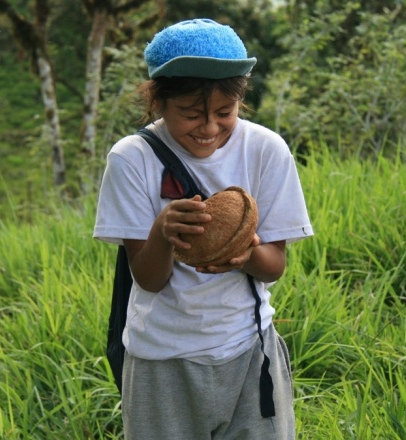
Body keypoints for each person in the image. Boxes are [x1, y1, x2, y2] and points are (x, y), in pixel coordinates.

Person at [93, 18, 313, 439]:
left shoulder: (266, 150)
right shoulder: (131, 159)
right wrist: (162, 232)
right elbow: (149, 279)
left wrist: (244, 254)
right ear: (159, 103)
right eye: (191, 114)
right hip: (162, 359)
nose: (209, 129)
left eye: (224, 113)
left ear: (240, 100)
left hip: (249, 349)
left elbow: (274, 266)